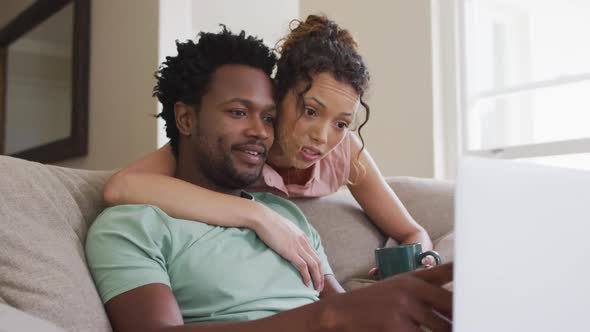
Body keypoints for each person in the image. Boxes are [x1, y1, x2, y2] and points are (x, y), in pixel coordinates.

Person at [85, 27, 453, 332]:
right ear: (186, 119)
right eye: (239, 112)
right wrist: (327, 316)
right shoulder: (133, 225)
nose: (260, 132)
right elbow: (121, 186)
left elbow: (346, 306)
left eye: (267, 117)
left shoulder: (286, 215)